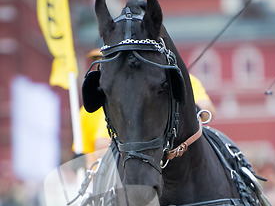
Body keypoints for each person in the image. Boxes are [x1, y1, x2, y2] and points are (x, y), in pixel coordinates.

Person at [77, 49, 216, 155]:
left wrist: (184, 110)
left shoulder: (186, 81)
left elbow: (208, 109)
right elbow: (97, 147)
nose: (104, 67)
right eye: (99, 61)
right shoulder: (88, 109)